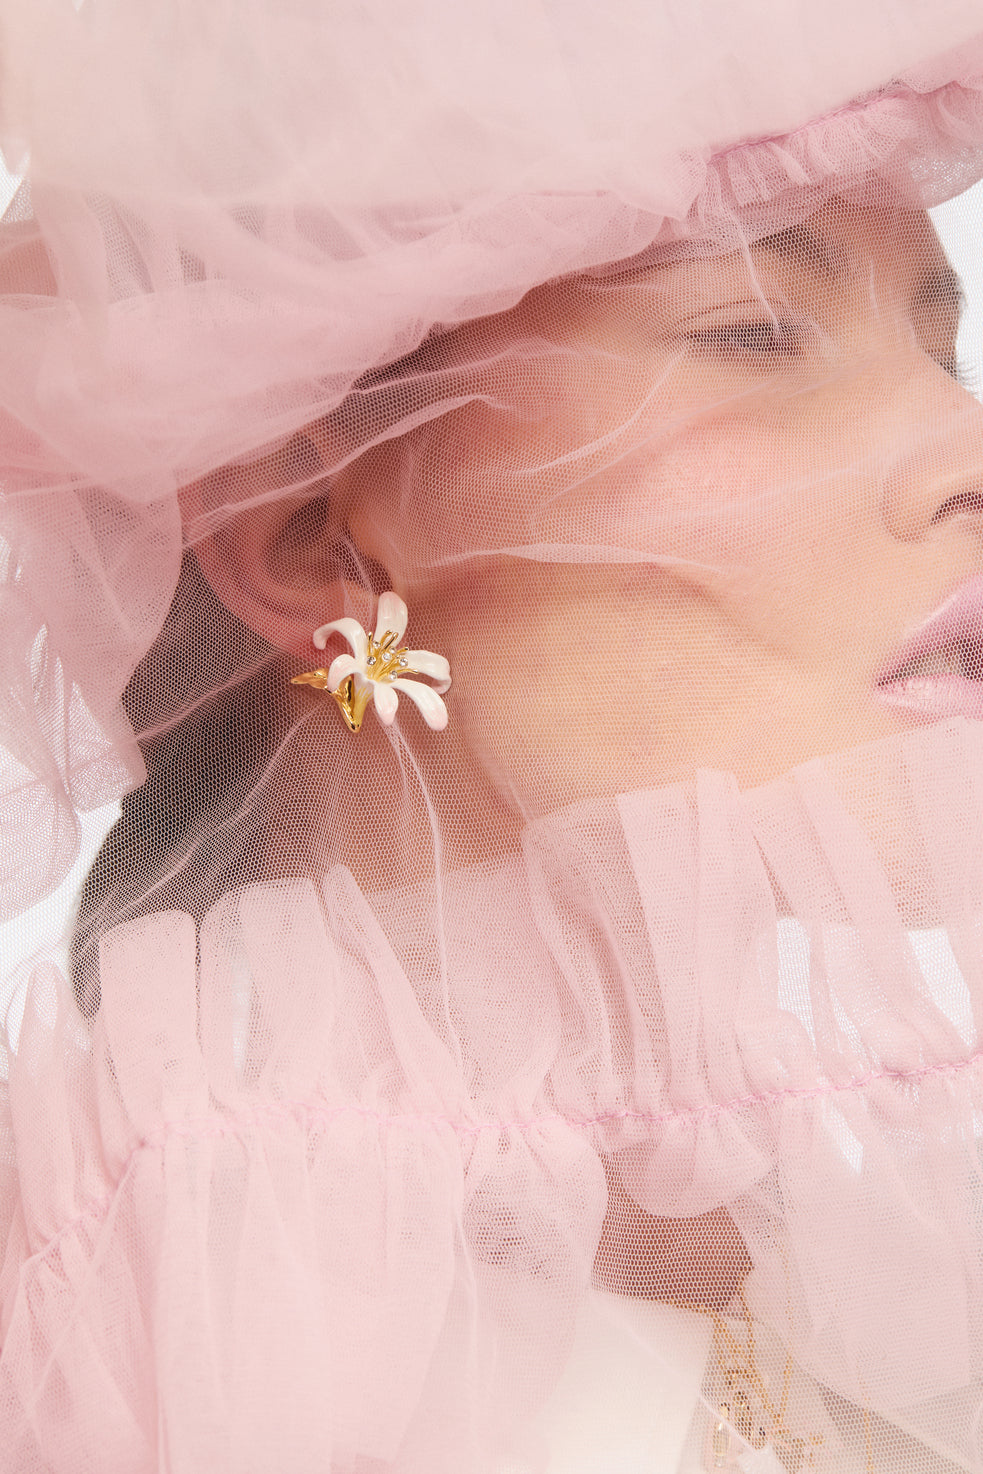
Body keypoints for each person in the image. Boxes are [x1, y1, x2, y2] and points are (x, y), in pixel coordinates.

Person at [5, 5, 983, 1471]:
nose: (963, 452)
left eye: (941, 341)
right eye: (754, 331)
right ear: (318, 543)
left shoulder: (881, 1317)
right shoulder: (129, 1357)